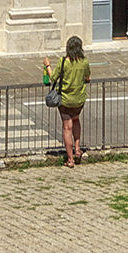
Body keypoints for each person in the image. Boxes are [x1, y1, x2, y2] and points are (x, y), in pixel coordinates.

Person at [41, 36, 91, 166]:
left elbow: (53, 77)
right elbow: (88, 77)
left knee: (67, 128)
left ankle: (70, 159)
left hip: (65, 100)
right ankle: (77, 149)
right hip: (79, 99)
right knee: (76, 120)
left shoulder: (64, 62)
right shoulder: (84, 61)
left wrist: (47, 65)